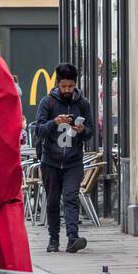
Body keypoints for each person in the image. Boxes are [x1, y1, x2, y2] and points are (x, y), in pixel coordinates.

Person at [33, 63, 92, 254]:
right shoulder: (47, 102)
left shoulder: (83, 104)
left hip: (73, 161)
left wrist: (82, 131)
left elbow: (91, 132)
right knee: (51, 201)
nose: (67, 90)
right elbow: (38, 130)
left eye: (70, 86)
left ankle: (73, 238)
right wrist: (54, 122)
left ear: (75, 84)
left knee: (70, 197)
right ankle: (53, 239)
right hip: (50, 160)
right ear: (58, 83)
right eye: (64, 86)